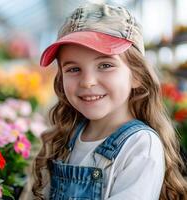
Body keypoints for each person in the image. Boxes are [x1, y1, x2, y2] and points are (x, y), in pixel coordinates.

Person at [25, 2, 187, 200]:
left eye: (105, 65)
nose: (87, 82)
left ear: (137, 75)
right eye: (73, 69)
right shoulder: (67, 135)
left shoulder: (140, 146)